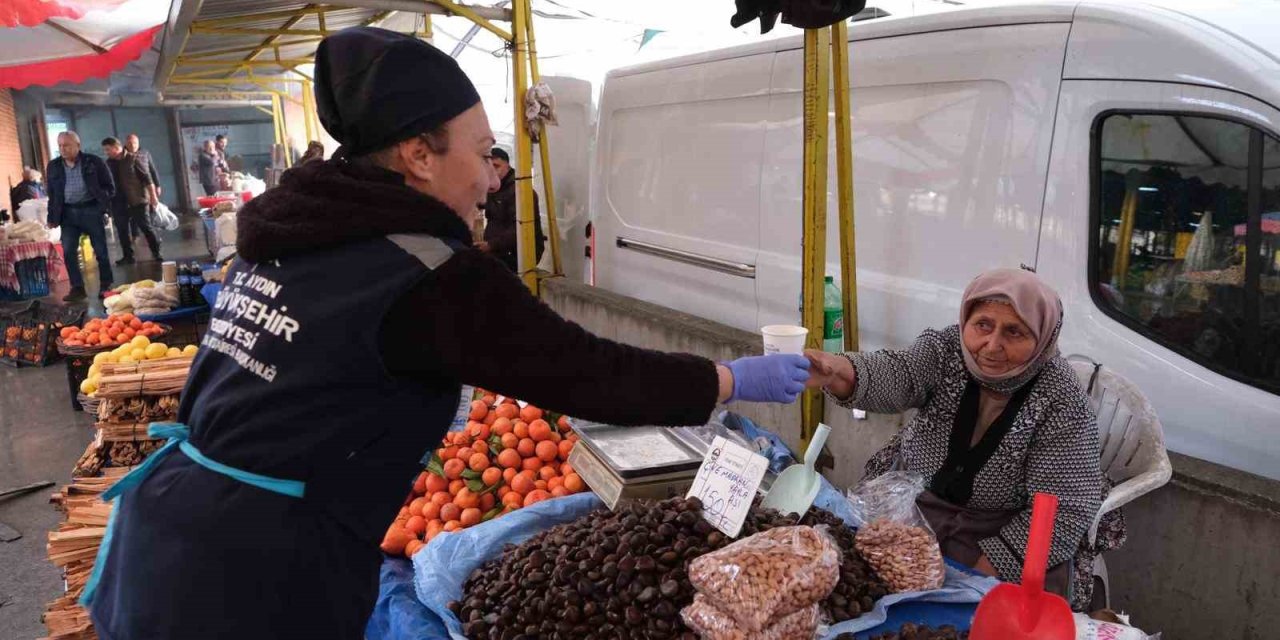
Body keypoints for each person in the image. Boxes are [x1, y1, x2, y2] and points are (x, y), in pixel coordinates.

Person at [82, 27, 814, 639]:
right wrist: (729, 380)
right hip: (256, 580)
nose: (496, 177)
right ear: (418, 154)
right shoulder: (426, 272)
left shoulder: (294, 233)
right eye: (482, 149)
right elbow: (592, 372)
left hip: (167, 540)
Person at [806, 268, 1112, 608]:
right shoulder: (947, 350)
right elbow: (900, 373)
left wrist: (977, 583)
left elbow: (1063, 510)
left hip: (1001, 531)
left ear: (1042, 338)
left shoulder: (1061, 400)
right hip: (918, 512)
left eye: (1014, 332)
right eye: (983, 325)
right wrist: (838, 371)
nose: (992, 345)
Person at [46, 131, 115, 302]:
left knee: (101, 251)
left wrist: (102, 206)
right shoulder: (54, 166)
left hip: (91, 210)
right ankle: (77, 288)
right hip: (67, 213)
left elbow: (109, 187)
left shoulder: (93, 162)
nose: (63, 149)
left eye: (67, 145)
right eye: (60, 145)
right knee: (68, 251)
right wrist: (52, 217)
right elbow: (52, 194)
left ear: (78, 145)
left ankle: (106, 285)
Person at [479, 147, 545, 272]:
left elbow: (519, 228)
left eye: (496, 166)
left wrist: (490, 245)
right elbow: (478, 203)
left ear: (507, 166)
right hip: (498, 249)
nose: (492, 172)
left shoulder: (521, 191)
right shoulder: (494, 188)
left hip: (518, 252)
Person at [101, 137, 163, 264]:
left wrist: (153, 196)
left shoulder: (133, 158)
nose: (106, 152)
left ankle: (156, 252)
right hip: (118, 202)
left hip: (137, 200)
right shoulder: (108, 163)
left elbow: (147, 178)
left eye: (108, 149)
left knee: (146, 227)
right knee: (122, 230)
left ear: (116, 147)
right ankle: (128, 256)